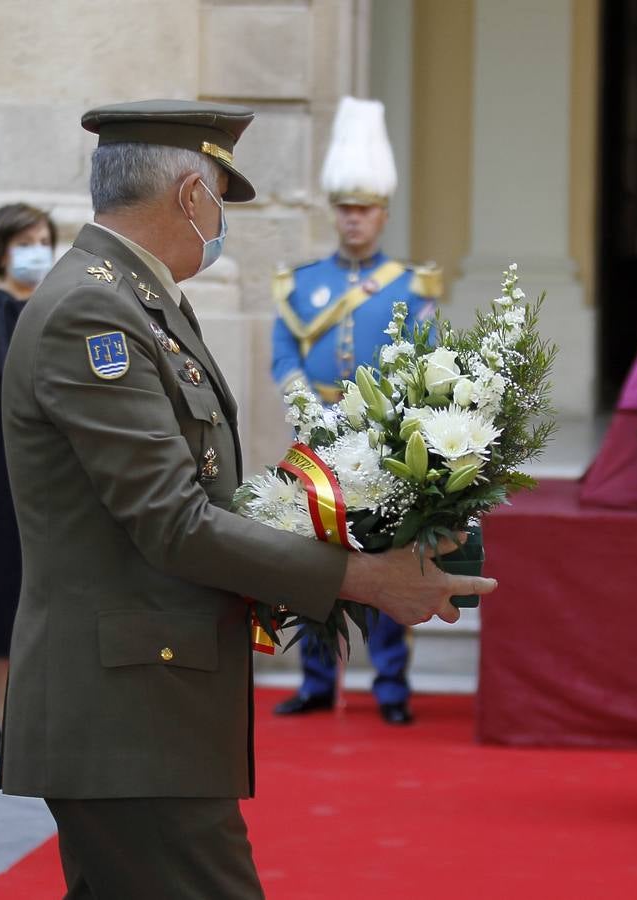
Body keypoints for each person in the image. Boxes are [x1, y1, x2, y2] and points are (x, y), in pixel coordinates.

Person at [0, 99, 495, 898]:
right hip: (129, 711)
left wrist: (340, 525)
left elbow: (197, 496)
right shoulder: (97, 309)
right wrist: (368, 582)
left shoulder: (137, 297)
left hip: (147, 702)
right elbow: (173, 521)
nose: (220, 221)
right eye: (220, 199)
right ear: (191, 197)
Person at [270, 97, 441, 725]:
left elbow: (427, 362)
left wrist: (385, 418)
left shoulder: (409, 285)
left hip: (384, 442)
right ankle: (317, 682)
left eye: (364, 210)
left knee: (392, 559)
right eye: (344, 210)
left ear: (383, 214)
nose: (353, 221)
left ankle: (391, 690)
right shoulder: (300, 283)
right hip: (317, 439)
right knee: (314, 563)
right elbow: (283, 354)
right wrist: (310, 410)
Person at [0, 203, 57, 751]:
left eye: (44, 239)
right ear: (2, 249)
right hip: (2, 461)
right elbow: (1, 378)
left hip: (52, 462)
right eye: (25, 240)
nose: (36, 250)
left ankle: (39, 703)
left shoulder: (57, 301)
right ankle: (0, 711)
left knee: (42, 584)